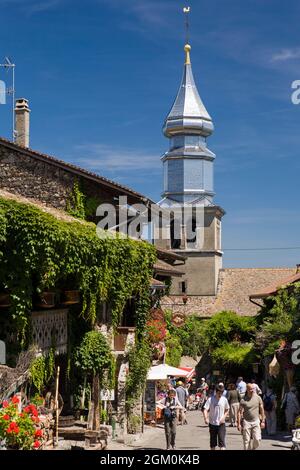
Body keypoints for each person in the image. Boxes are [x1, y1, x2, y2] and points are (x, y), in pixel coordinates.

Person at [237, 383, 265, 450]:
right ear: (247, 390)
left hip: (256, 421)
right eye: (251, 389)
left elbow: (262, 409)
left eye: (253, 389)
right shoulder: (243, 399)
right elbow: (239, 412)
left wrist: (263, 421)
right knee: (246, 440)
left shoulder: (258, 398)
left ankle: (253, 448)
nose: (252, 390)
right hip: (246, 422)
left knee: (257, 439)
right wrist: (238, 424)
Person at [203, 384, 229, 450]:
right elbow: (205, 409)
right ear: (216, 391)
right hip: (212, 424)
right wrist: (206, 418)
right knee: (213, 444)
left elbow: (227, 409)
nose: (220, 394)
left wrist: (224, 417)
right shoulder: (210, 399)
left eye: (221, 393)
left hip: (221, 424)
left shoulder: (224, 399)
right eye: (219, 393)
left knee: (222, 443)